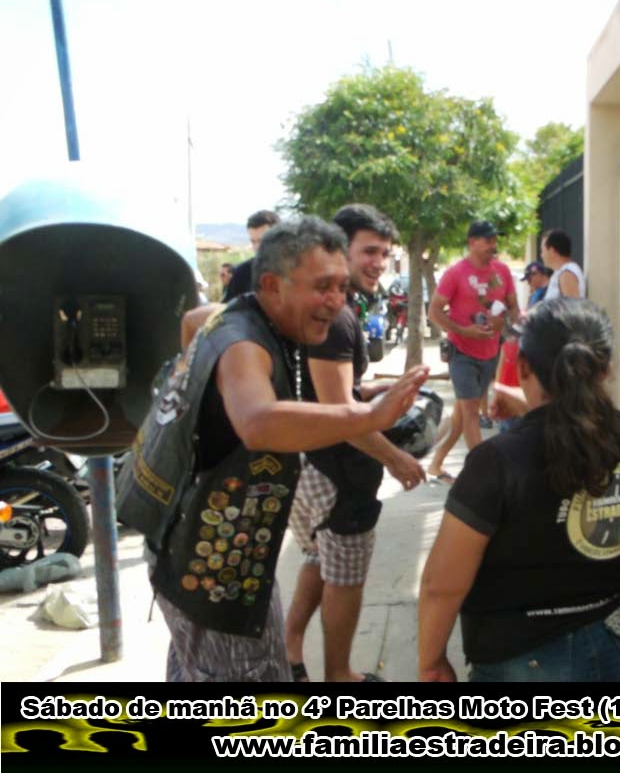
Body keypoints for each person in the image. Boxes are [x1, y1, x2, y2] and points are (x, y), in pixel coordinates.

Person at [117, 216, 429, 681]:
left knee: (199, 667)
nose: (335, 301)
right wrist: (369, 418)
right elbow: (258, 423)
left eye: (341, 286)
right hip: (209, 561)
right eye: (321, 286)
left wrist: (197, 395)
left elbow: (190, 322)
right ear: (271, 285)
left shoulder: (232, 315)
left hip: (195, 542)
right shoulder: (245, 343)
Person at [418, 298, 620, 682]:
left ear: (523, 366)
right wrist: (531, 409)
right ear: (606, 367)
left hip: (521, 656)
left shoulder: (496, 462)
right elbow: (566, 435)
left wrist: (431, 661)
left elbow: (442, 584)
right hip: (617, 646)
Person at [283, 204, 426, 683]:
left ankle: (290, 648)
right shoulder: (338, 317)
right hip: (336, 474)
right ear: (339, 249)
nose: (379, 263)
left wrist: (374, 390)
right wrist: (396, 458)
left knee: (318, 559)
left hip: (315, 466)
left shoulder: (328, 309)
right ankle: (339, 678)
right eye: (370, 251)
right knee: (345, 578)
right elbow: (342, 416)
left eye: (385, 253)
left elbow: (332, 393)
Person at [426, 221, 519, 480]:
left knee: (460, 416)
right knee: (471, 414)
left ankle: (435, 465)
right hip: (462, 353)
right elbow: (433, 312)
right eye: (488, 240)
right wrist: (464, 331)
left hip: (491, 353)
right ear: (472, 242)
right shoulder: (455, 273)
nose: (493, 245)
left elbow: (513, 307)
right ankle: (484, 475)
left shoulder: (502, 271)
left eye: (495, 240)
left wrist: (504, 322)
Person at [223, 209, 281, 302]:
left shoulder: (298, 269)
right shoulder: (242, 273)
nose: (257, 247)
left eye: (262, 241)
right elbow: (228, 308)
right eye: (253, 241)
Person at [541, 229, 585, 299]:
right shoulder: (562, 272)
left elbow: (573, 304)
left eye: (542, 251)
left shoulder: (567, 273)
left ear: (552, 251)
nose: (541, 255)